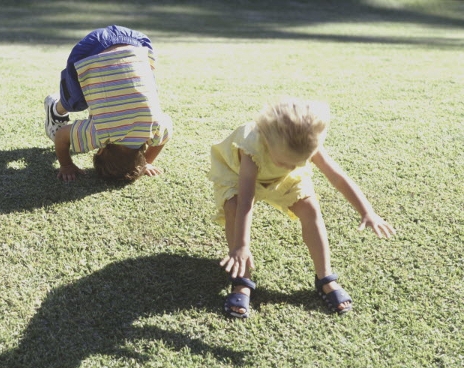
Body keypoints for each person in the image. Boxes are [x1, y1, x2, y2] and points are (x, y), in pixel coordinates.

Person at [208, 98, 395, 318]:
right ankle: (242, 281)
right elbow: (247, 199)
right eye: (286, 162)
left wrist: (367, 211)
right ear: (268, 143)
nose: (293, 166)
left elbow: (338, 177)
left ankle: (325, 277)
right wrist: (241, 245)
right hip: (239, 175)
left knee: (310, 209)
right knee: (235, 206)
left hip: (284, 178)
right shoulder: (252, 148)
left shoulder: (303, 146)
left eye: (299, 163)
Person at [43, 25, 172, 182]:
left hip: (137, 42)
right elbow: (61, 136)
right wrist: (66, 166)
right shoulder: (102, 134)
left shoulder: (154, 128)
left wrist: (148, 161)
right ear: (100, 150)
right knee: (76, 101)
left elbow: (166, 135)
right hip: (90, 50)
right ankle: (56, 107)